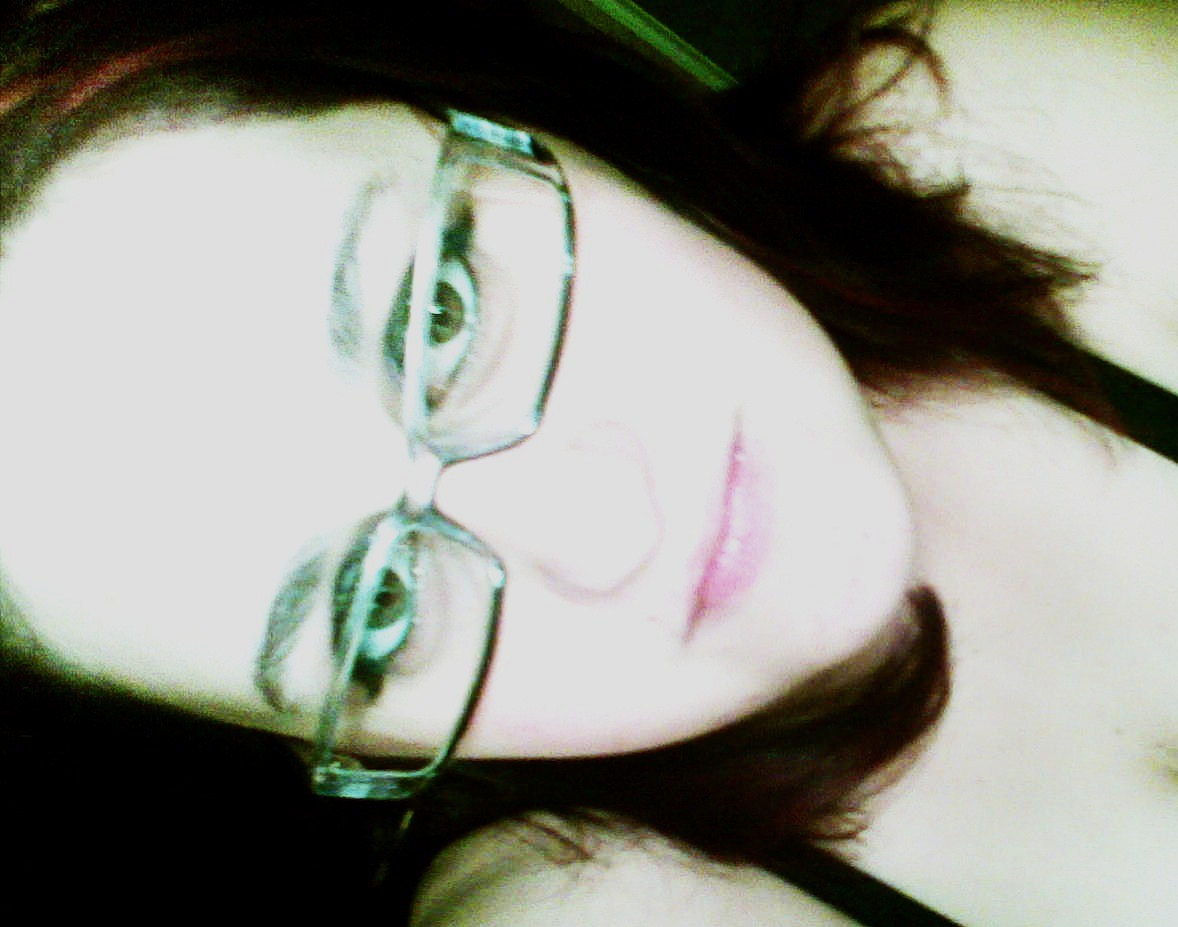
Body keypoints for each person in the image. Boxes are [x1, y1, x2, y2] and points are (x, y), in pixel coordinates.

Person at [0, 0, 1173, 922]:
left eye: (442, 315)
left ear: (501, 106)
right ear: (366, 748)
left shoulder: (1008, 116)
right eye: (379, 608)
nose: (604, 531)